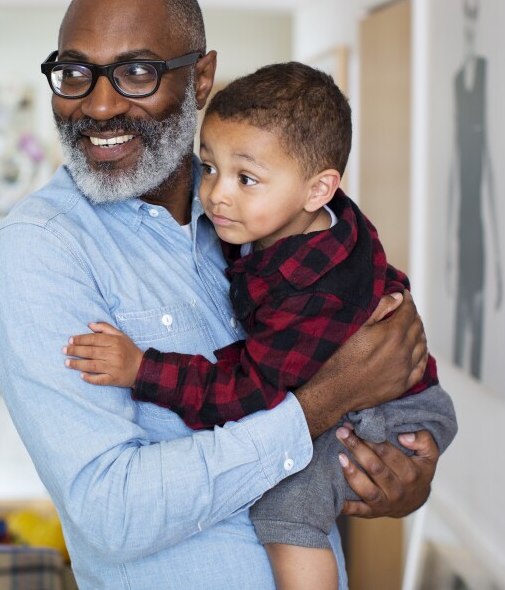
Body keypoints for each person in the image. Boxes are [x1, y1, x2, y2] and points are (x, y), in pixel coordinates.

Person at [0, 0, 439, 589]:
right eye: (76, 72)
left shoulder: (263, 219)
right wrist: (326, 401)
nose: (100, 104)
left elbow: (379, 365)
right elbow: (112, 512)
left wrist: (395, 473)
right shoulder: (35, 255)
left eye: (137, 72)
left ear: (202, 79)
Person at [62, 62, 458, 590]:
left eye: (246, 178)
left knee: (287, 509)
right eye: (209, 167)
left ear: (318, 189)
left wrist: (142, 368)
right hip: (385, 390)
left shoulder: (312, 293)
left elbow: (248, 391)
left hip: (392, 405)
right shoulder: (298, 220)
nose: (217, 194)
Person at [447, 0, 502, 380]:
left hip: (479, 224)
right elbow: (453, 168)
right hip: (461, 222)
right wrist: (448, 244)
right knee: (463, 316)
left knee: (478, 320)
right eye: (463, 11)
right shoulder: (455, 78)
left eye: (473, 10)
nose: (468, 22)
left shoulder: (486, 73)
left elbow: (490, 175)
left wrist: (499, 255)